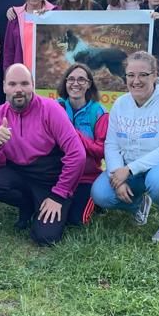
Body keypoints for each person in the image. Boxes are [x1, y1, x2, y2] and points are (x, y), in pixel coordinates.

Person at [92, 52, 159, 242]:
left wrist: (129, 169)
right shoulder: (120, 104)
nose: (136, 81)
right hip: (132, 169)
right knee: (101, 194)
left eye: (143, 75)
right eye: (130, 75)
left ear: (154, 75)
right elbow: (112, 144)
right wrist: (117, 173)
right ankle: (138, 204)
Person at [0, 64, 85, 246]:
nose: (18, 90)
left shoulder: (51, 109)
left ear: (33, 85)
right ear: (4, 87)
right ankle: (28, 205)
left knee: (45, 238)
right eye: (12, 84)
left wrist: (58, 196)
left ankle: (56, 203)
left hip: (50, 179)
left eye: (24, 83)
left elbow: (77, 154)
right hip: (20, 173)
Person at [57, 62, 108, 226]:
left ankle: (98, 199)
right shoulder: (57, 107)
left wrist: (74, 134)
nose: (75, 83)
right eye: (70, 79)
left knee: (76, 221)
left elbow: (102, 151)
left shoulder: (98, 112)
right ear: (65, 83)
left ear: (89, 84)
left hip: (87, 177)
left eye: (81, 79)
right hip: (58, 175)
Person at [2, 0, 55, 71]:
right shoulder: (15, 17)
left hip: (48, 74)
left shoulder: (55, 13)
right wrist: (7, 76)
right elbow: (9, 52)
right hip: (21, 76)